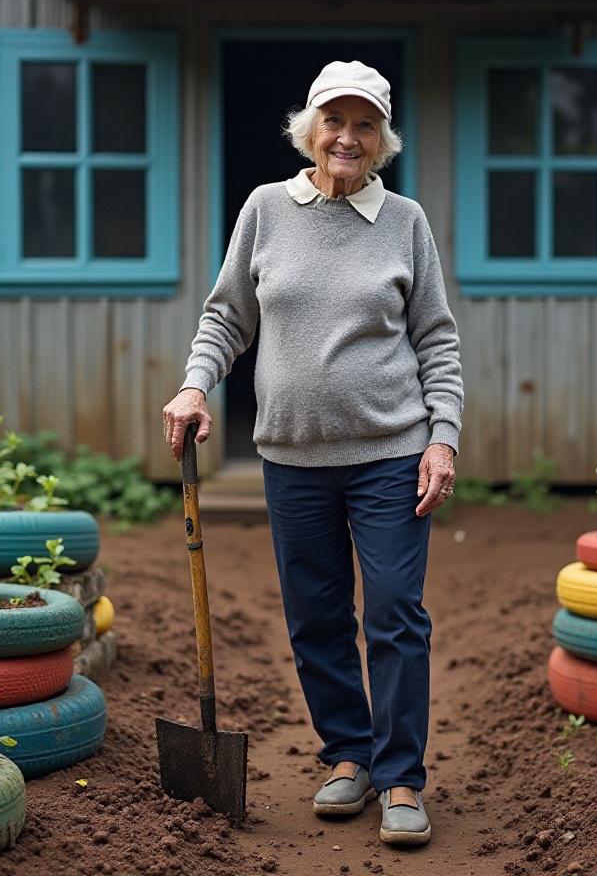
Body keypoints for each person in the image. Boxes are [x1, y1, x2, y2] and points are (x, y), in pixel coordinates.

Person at [162, 60, 463, 846]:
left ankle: (401, 778)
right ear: (310, 128)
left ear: (382, 140)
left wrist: (442, 438)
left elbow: (437, 340)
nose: (347, 138)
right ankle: (348, 755)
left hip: (391, 453)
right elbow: (227, 316)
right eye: (335, 120)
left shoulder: (404, 221)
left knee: (394, 612)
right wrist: (195, 387)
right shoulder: (266, 209)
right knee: (317, 617)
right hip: (292, 459)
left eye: (365, 125)